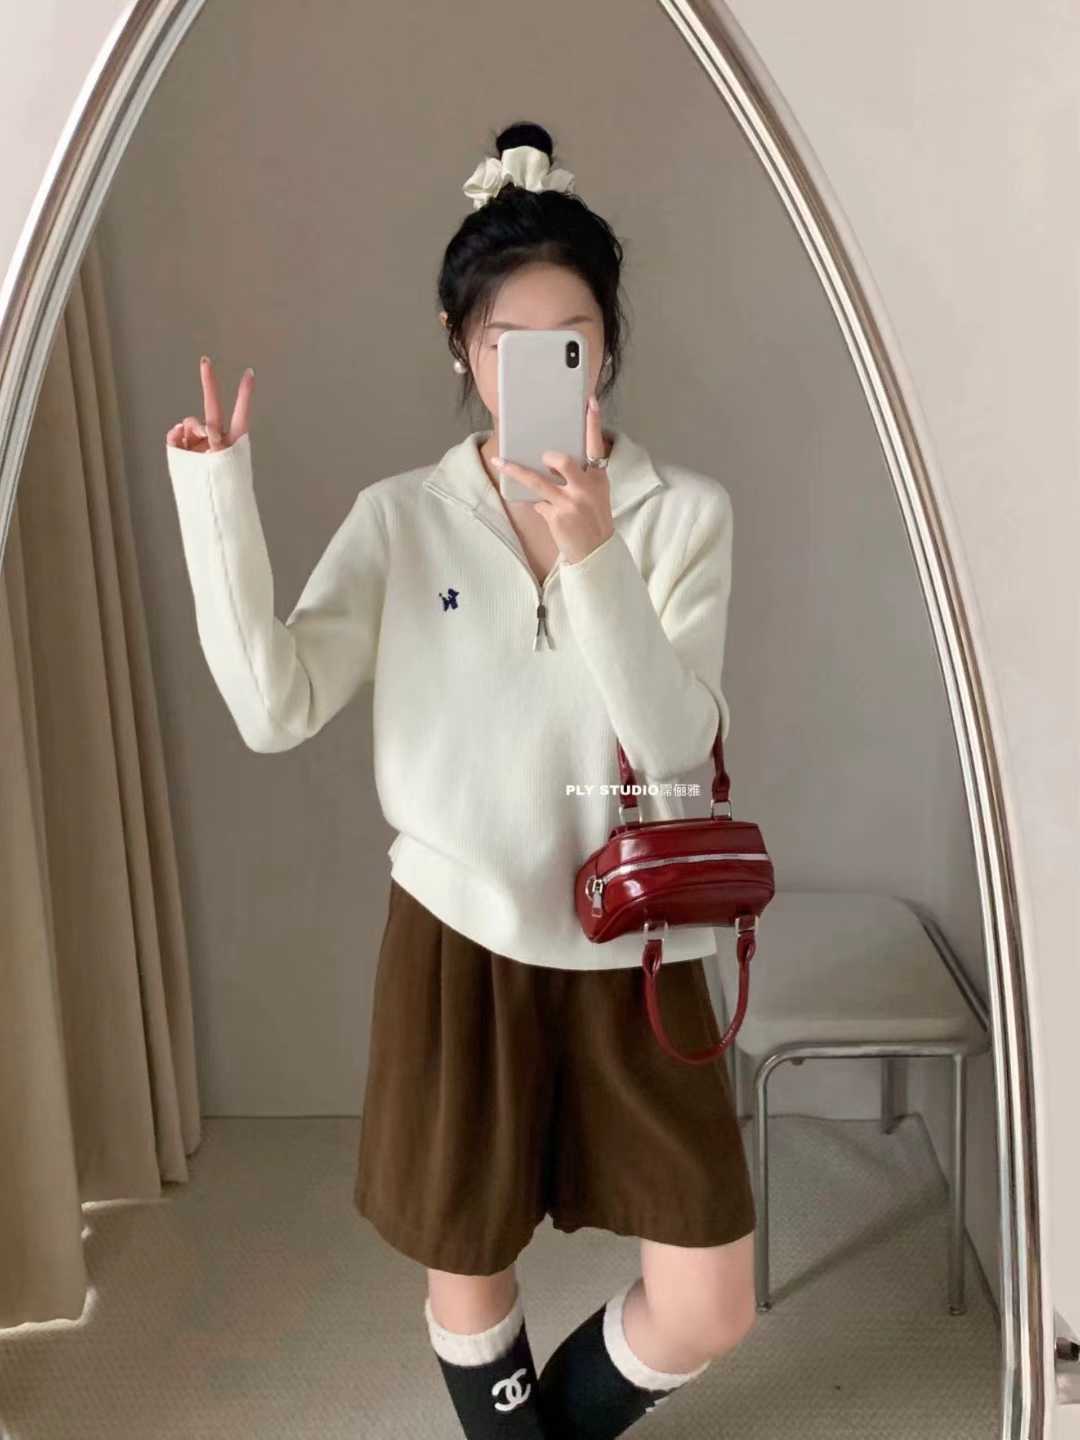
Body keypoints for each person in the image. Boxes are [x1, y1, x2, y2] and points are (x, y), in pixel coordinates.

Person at [165, 119, 757, 1440]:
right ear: (459, 348)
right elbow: (274, 706)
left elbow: (674, 744)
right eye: (506, 344)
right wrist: (215, 500)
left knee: (710, 1299)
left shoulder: (683, 514)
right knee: (470, 1269)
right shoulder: (402, 519)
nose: (538, 369)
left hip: (636, 952)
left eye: (571, 342)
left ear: (609, 347)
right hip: (460, 939)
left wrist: (594, 556)